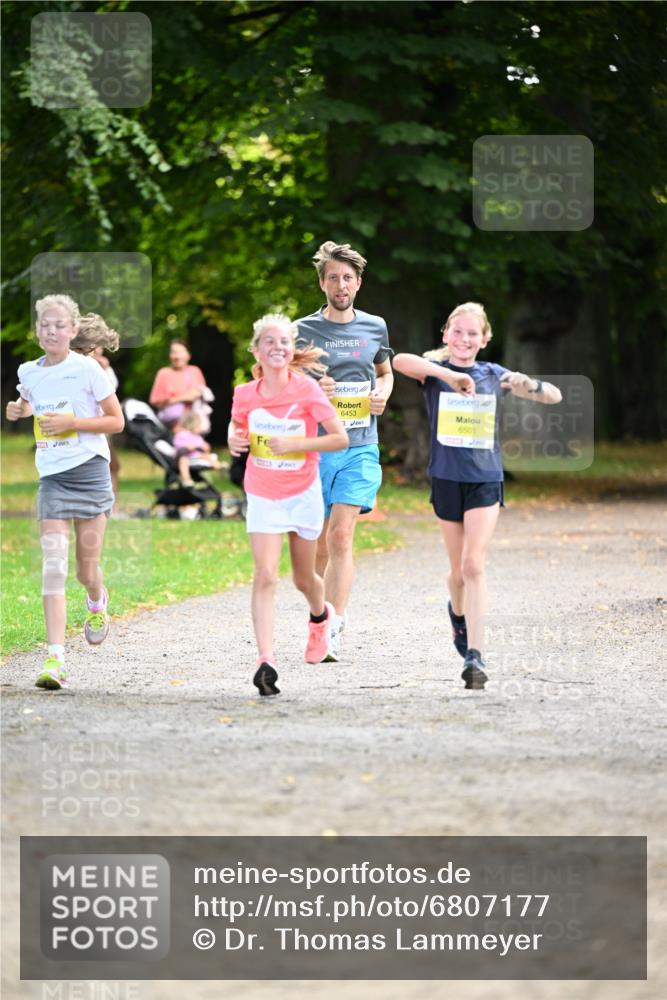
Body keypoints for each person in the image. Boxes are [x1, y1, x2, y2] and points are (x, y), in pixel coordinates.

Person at [393, 302, 562, 690]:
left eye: (473, 333)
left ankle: (476, 655)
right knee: (457, 574)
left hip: (485, 478)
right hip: (446, 479)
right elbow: (400, 361)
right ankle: (458, 615)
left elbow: (553, 396)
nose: (464, 339)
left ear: (485, 339)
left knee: (473, 565)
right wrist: (448, 375)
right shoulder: (433, 373)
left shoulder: (493, 374)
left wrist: (527, 384)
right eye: (458, 331)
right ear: (445, 335)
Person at [5, 294, 124, 690]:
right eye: (44, 324)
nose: (51, 331)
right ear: (37, 330)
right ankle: (55, 658)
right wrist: (18, 410)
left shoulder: (88, 369)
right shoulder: (28, 371)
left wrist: (73, 423)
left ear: (72, 331)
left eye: (59, 325)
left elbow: (117, 421)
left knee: (85, 569)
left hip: (89, 473)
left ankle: (96, 599)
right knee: (53, 566)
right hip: (53, 478)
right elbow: (27, 403)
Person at [228, 313, 348, 696]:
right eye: (269, 341)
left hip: (302, 492)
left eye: (284, 342)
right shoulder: (245, 394)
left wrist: (296, 444)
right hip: (262, 492)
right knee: (265, 574)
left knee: (303, 578)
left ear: (292, 350)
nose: (277, 347)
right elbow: (238, 425)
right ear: (256, 351)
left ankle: (320, 617)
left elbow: (339, 438)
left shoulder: (307, 390)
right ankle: (266, 661)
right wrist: (233, 438)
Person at [296, 241, 394, 661]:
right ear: (322, 283)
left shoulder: (375, 327)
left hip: (360, 446)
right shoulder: (302, 330)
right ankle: (319, 619)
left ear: (358, 283)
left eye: (348, 278)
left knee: (341, 536)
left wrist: (382, 394)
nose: (341, 285)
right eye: (333, 277)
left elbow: (385, 372)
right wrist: (312, 387)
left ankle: (333, 625)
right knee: (318, 544)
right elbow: (280, 383)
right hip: (317, 448)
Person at [72, 314, 121, 507]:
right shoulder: (81, 366)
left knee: (112, 466)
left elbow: (111, 395)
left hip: (95, 429)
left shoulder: (97, 368)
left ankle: (109, 504)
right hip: (80, 434)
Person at [149, 339, 210, 427]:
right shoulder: (164, 373)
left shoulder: (195, 371)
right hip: (172, 425)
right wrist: (183, 398)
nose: (177, 356)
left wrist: (196, 394)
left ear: (189, 355)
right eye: (174, 352)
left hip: (194, 424)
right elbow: (155, 402)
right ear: (170, 355)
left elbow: (204, 394)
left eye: (181, 352)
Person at [173, 410, 223, 487]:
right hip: (186, 456)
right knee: (183, 461)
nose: (201, 428)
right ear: (192, 425)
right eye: (199, 425)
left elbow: (203, 446)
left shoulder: (197, 436)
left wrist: (205, 446)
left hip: (196, 455)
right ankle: (186, 479)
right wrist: (187, 446)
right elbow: (177, 445)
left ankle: (219, 467)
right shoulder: (182, 434)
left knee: (207, 456)